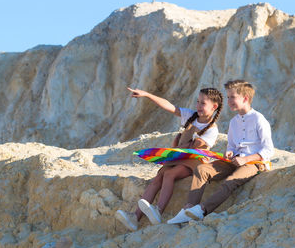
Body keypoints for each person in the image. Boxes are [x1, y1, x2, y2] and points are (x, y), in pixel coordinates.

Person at [115, 87, 223, 231]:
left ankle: (158, 210)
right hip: (178, 156)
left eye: (202, 103)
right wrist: (147, 94)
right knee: (158, 177)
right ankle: (135, 217)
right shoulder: (191, 116)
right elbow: (169, 106)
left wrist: (180, 143)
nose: (198, 106)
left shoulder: (212, 129)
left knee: (169, 174)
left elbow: (196, 148)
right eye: (197, 102)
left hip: (193, 161)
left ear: (214, 107)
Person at [167, 80, 274, 224]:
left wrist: (246, 159)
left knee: (230, 181)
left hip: (254, 163)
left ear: (245, 98)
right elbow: (231, 145)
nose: (228, 101)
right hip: (233, 161)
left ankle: (201, 211)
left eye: (232, 97)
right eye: (228, 97)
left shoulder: (259, 119)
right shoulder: (233, 122)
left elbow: (268, 149)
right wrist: (229, 152)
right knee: (201, 169)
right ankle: (188, 208)